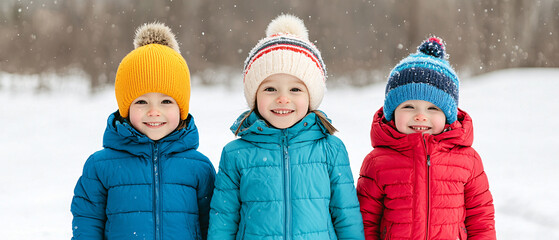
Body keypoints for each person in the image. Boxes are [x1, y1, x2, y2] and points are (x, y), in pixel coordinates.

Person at [208, 14, 364, 240]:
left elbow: (346, 215)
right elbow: (223, 220)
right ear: (254, 97)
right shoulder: (236, 155)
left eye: (295, 90)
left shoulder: (331, 149)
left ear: (311, 96)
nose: (282, 99)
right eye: (270, 89)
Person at [70, 22, 216, 240]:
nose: (154, 111)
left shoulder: (199, 168)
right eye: (141, 102)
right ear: (126, 109)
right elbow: (87, 224)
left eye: (166, 101)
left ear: (182, 109)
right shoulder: (100, 167)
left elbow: (211, 227)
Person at [356, 37, 496, 240]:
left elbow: (481, 218)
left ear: (448, 115)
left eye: (432, 108)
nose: (421, 116)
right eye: (409, 106)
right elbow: (366, 222)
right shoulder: (377, 162)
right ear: (392, 112)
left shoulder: (468, 160)